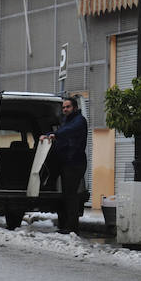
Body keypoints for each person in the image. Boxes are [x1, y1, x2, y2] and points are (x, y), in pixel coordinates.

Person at [43, 96, 88, 234]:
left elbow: (67, 131)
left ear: (74, 107)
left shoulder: (79, 121)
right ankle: (65, 226)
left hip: (75, 162)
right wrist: (48, 134)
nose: (65, 109)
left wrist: (54, 134)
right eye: (63, 107)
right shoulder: (66, 121)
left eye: (67, 107)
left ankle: (72, 228)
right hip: (66, 162)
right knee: (66, 195)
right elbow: (60, 131)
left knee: (71, 196)